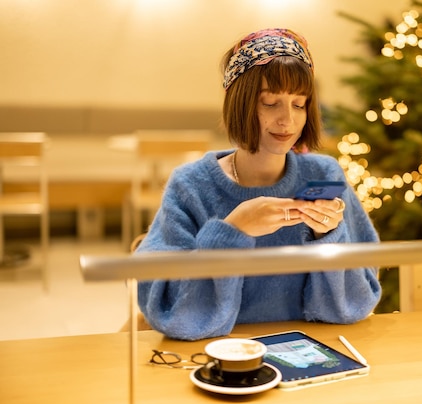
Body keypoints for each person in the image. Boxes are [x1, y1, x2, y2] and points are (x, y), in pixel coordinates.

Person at [136, 28, 381, 341]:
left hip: (311, 355)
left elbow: (357, 304)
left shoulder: (324, 174)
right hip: (216, 359)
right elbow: (174, 316)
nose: (287, 121)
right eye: (270, 103)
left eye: (299, 104)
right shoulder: (191, 186)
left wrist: (328, 236)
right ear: (240, 103)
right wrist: (231, 232)